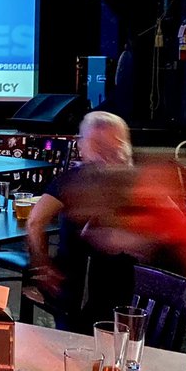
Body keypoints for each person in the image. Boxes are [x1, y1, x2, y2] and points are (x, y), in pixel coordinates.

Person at [26, 111, 138, 333]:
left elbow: (35, 222)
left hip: (79, 289)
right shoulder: (141, 182)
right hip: (132, 290)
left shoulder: (75, 180)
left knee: (75, 344)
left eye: (81, 138)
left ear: (92, 143)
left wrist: (42, 266)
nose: (78, 143)